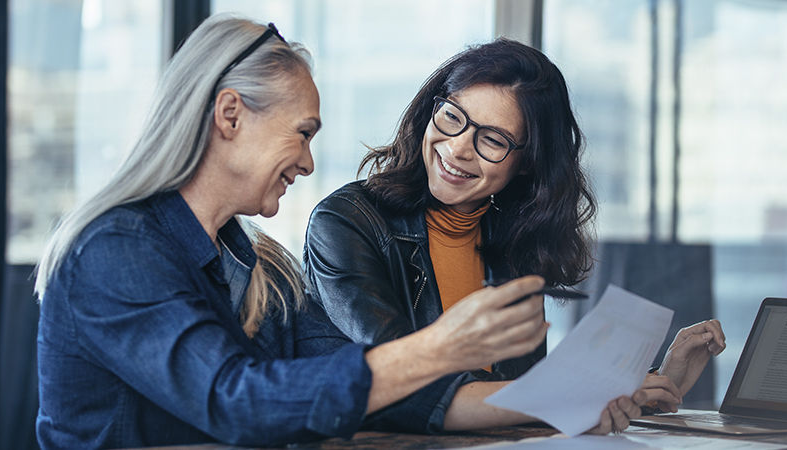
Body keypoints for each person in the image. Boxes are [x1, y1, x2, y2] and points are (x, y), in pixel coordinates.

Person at [33, 16, 555, 448]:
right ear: (230, 116)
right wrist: (436, 348)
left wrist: (564, 403)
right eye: (303, 134)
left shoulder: (263, 269)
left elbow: (379, 391)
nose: (308, 163)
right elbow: (235, 401)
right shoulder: (114, 250)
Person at [304, 38, 726, 432]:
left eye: (492, 139)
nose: (457, 148)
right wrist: (573, 397)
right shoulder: (347, 221)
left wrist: (651, 386)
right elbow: (400, 383)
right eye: (452, 116)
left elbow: (524, 399)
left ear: (526, 163)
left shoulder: (515, 243)